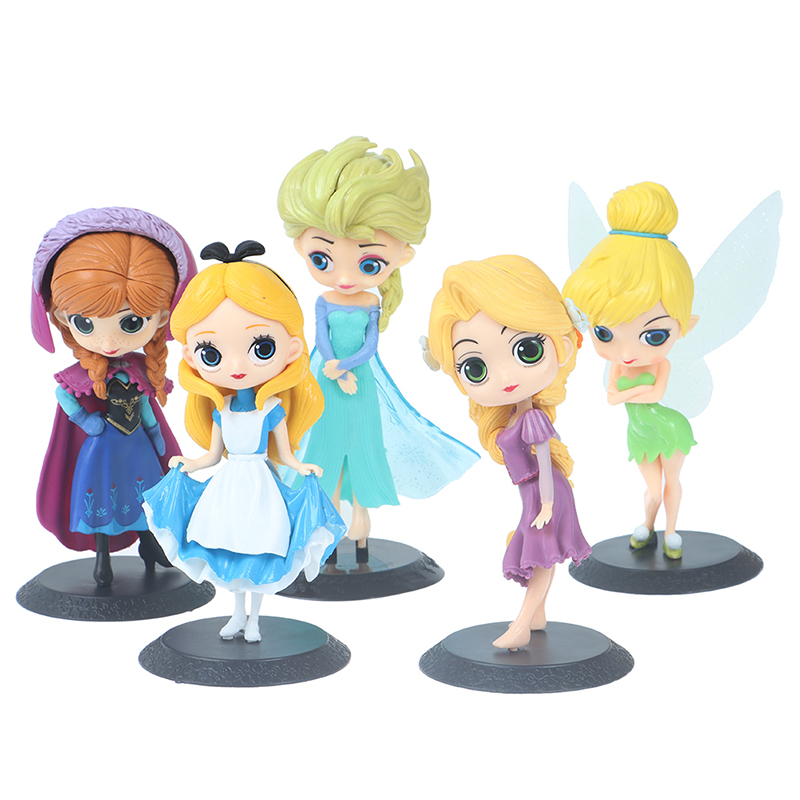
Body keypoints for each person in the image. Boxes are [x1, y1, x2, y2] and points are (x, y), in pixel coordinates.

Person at [278, 136, 477, 558]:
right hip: (325, 381)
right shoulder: (324, 299)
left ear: (402, 256)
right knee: (324, 450)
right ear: (300, 247)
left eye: (369, 263)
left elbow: (371, 345)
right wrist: (333, 366)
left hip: (360, 384)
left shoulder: (371, 301)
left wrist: (346, 366)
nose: (344, 277)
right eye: (322, 259)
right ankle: (329, 531)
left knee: (363, 450)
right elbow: (320, 337)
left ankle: (361, 529)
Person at [142, 243, 345, 642]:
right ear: (191, 356)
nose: (236, 366)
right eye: (212, 353)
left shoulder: (271, 408)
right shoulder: (221, 409)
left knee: (261, 547)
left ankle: (255, 619)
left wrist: (300, 466)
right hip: (229, 483)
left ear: (291, 349)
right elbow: (213, 455)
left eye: (261, 348)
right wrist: (189, 464)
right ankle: (238, 614)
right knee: (230, 549)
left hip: (260, 484)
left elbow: (285, 453)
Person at [427, 255, 590, 650]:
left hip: (545, 494)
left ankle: (521, 624)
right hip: (532, 494)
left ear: (560, 345)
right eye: (476, 368)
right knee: (540, 553)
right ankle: (538, 615)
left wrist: (547, 505)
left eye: (527, 350)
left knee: (542, 556)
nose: (504, 377)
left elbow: (545, 463)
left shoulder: (533, 419)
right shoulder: (515, 416)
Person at [31, 207, 196, 586]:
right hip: (102, 448)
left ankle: (149, 544)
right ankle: (102, 557)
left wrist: (156, 436)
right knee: (101, 501)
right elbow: (65, 396)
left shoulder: (138, 371)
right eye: (86, 322)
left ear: (162, 316)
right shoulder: (79, 375)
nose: (108, 341)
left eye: (131, 322)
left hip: (137, 446)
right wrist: (85, 420)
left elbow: (146, 406)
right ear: (61, 316)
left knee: (146, 497)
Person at [562, 182, 698, 559]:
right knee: (652, 488)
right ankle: (648, 525)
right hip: (639, 433)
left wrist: (626, 392)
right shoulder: (620, 365)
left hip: (669, 427)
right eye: (604, 333)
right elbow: (612, 399)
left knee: (672, 482)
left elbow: (653, 394)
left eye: (654, 335)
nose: (627, 353)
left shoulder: (659, 363)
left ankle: (670, 531)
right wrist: (628, 393)